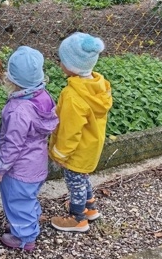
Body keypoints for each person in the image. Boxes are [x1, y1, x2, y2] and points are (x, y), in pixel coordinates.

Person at [0, 46, 58, 251]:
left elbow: (12, 145)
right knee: (27, 198)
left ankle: (25, 237)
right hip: (37, 163)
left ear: (12, 80)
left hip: (19, 170)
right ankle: (29, 219)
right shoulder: (43, 97)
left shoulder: (17, 111)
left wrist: (0, 169)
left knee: (17, 201)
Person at [48, 32, 113, 233]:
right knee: (82, 177)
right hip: (91, 145)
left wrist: (60, 153)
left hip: (76, 150)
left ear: (71, 65)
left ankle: (77, 218)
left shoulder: (72, 95)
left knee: (74, 180)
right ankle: (90, 207)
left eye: (62, 60)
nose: (60, 63)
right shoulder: (99, 84)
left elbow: (70, 131)